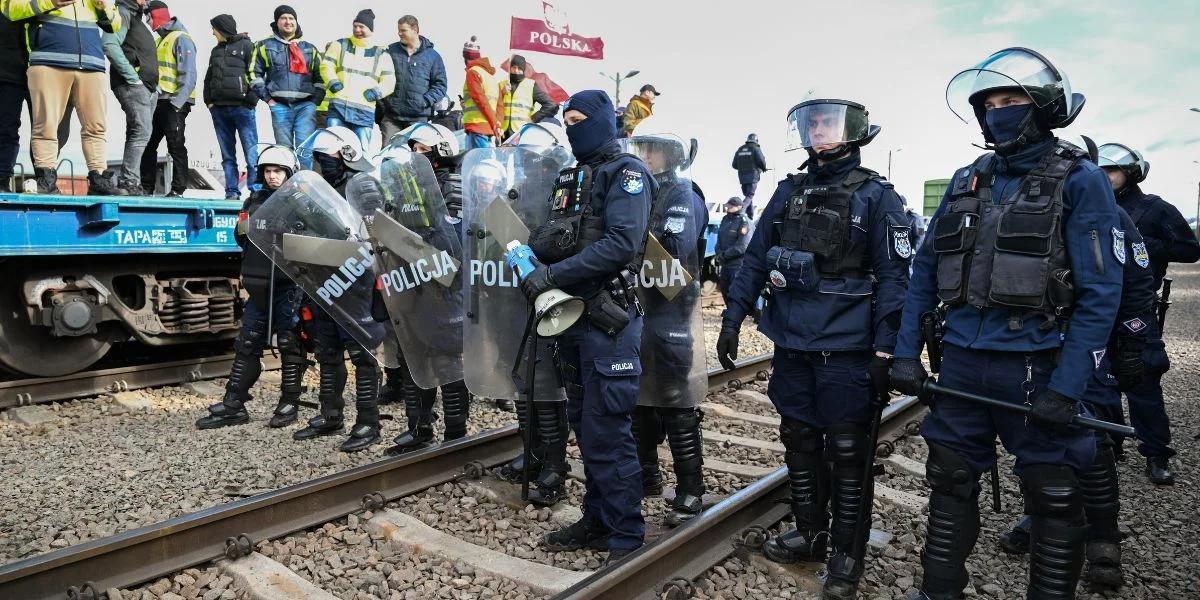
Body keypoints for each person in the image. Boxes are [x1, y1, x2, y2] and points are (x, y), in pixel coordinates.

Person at [888, 48, 1123, 600]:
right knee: (949, 481)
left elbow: (1100, 294)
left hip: (1038, 364)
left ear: (1042, 108)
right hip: (964, 363)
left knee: (1053, 494)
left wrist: (1068, 388)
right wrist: (904, 354)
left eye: (1011, 100)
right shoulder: (969, 178)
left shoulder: (1081, 181)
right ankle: (938, 591)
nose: (999, 111)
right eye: (989, 103)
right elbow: (925, 268)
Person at [715, 97, 910, 599]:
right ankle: (810, 531)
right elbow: (756, 259)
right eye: (813, 122)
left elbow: (895, 280)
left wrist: (887, 351)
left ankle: (847, 551)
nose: (819, 130)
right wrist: (733, 317)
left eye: (829, 122)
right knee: (799, 438)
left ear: (854, 132)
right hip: (793, 344)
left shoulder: (877, 197)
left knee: (848, 451)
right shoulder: (788, 191)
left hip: (848, 349)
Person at [523, 90, 653, 564]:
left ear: (602, 122)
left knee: (606, 430)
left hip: (608, 320)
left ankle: (626, 535)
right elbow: (562, 234)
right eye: (568, 120)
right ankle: (597, 519)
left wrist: (552, 275)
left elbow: (621, 244)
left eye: (580, 120)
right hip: (571, 317)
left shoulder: (628, 174)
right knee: (583, 421)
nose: (573, 128)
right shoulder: (573, 175)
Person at [996, 206, 1155, 588]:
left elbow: (1136, 281)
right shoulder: (1021, 202)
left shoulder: (1109, 212)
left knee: (1093, 444)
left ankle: (1103, 538)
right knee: (1037, 437)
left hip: (1088, 344)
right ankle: (1041, 514)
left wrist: (1132, 343)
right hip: (1037, 344)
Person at [1098, 142, 1200, 484]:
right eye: (1099, 171)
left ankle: (1157, 453)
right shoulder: (1088, 205)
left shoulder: (1153, 208)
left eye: (1110, 171)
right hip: (1095, 308)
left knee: (1141, 377)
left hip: (1137, 306)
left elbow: (1189, 249)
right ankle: (1109, 442)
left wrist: (1139, 242)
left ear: (1130, 173)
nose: (1104, 177)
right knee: (1099, 379)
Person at [374, 123, 472, 456]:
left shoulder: (456, 188)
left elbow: (455, 243)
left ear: (441, 150)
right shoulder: (406, 190)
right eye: (412, 149)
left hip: (446, 284)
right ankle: (418, 426)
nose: (415, 155)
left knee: (446, 357)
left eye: (421, 149)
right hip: (411, 281)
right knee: (412, 354)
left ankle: (456, 430)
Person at [196, 145, 309, 430]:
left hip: (288, 285)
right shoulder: (253, 201)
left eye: (278, 171)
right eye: (268, 171)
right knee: (247, 345)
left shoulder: (301, 201)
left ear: (289, 173)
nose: (272, 176)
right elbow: (241, 236)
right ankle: (234, 404)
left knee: (290, 344)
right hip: (258, 284)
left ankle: (289, 402)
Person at [629, 134, 710, 527]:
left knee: (676, 403)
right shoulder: (637, 191)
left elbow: (676, 250)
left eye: (652, 149)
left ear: (672, 156)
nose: (645, 156)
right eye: (641, 149)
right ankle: (646, 476)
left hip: (672, 314)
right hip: (637, 311)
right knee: (639, 401)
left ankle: (691, 489)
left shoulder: (683, 194)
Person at [293, 126, 387, 452]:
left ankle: (368, 423)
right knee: (327, 351)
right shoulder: (318, 189)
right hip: (323, 277)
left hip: (355, 278)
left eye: (325, 158)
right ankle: (330, 414)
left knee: (362, 354)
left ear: (346, 155)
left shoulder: (364, 186)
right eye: (318, 159)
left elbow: (377, 232)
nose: (321, 164)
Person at [2, 0, 122, 195]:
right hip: (48, 59)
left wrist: (103, 6)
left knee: (96, 127)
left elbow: (115, 24)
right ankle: (46, 178)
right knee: (46, 125)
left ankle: (99, 178)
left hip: (92, 63)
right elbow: (9, 9)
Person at [250, 5, 324, 169]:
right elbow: (253, 73)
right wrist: (268, 100)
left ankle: (304, 188)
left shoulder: (309, 48)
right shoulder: (264, 46)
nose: (288, 22)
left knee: (305, 150)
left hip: (305, 106)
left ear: (296, 22)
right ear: (276, 22)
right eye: (283, 18)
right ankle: (289, 189)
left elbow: (320, 76)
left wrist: (315, 101)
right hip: (279, 106)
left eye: (291, 18)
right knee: (284, 151)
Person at [101, 0, 158, 196]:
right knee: (142, 131)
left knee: (138, 133)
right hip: (133, 85)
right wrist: (134, 79)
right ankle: (129, 182)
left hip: (147, 88)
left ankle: (130, 181)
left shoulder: (135, 18)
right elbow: (109, 45)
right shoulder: (122, 13)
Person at [140, 1, 195, 197]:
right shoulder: (159, 40)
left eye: (148, 16)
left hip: (174, 102)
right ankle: (146, 188)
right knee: (147, 143)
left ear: (156, 15)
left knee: (175, 145)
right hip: (158, 101)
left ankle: (178, 190)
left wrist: (176, 104)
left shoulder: (181, 38)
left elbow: (189, 76)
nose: (146, 21)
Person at [319, 9, 394, 149]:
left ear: (370, 29)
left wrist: (375, 93)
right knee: (332, 150)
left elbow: (389, 81)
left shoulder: (382, 54)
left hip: (363, 113)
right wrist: (333, 82)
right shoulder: (339, 45)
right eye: (355, 26)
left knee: (361, 151)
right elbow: (326, 66)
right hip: (338, 108)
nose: (358, 30)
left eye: (362, 27)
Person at [206, 14, 258, 200]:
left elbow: (257, 74)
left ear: (222, 29)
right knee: (228, 155)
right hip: (219, 110)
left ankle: (255, 191)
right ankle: (231, 192)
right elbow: (209, 77)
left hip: (242, 109)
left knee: (251, 153)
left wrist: (250, 100)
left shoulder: (247, 46)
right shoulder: (215, 51)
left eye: (214, 29)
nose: (212, 32)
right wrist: (209, 101)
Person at [379, 15, 447, 143]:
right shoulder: (390, 51)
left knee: (414, 158)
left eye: (403, 30)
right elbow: (379, 76)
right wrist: (385, 103)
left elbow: (440, 85)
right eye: (398, 30)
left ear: (415, 30)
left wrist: (424, 101)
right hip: (391, 118)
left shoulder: (433, 57)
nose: (399, 33)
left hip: (418, 119)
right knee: (387, 157)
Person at [0, 10, 29, 193]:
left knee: (44, 131)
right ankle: (2, 178)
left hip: (39, 69)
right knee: (7, 129)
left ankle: (45, 178)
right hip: (8, 75)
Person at [501, 54, 559, 139]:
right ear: (510, 69)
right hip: (503, 132)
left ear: (523, 70)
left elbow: (550, 104)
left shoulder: (531, 85)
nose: (516, 71)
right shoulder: (502, 85)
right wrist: (501, 93)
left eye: (519, 68)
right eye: (513, 68)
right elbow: (494, 105)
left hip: (520, 131)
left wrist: (533, 119)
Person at [460, 36, 503, 149]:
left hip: (476, 129)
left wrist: (494, 124)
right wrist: (497, 125)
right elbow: (499, 106)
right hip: (489, 131)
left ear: (465, 57)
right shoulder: (491, 77)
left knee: (474, 164)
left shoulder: (472, 72)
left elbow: (480, 99)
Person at [714, 197, 751, 307]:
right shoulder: (725, 219)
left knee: (735, 292)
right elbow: (719, 239)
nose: (728, 208)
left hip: (737, 266)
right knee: (725, 290)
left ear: (739, 207)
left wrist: (725, 255)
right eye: (727, 206)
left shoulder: (744, 222)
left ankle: (735, 315)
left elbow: (742, 246)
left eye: (731, 206)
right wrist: (718, 253)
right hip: (725, 264)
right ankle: (730, 312)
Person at [731, 133, 768, 215]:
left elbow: (734, 165)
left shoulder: (740, 149)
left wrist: (743, 168)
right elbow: (761, 161)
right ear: (756, 140)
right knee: (750, 196)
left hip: (742, 178)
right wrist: (764, 168)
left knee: (748, 196)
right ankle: (741, 210)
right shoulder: (755, 148)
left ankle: (750, 215)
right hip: (752, 177)